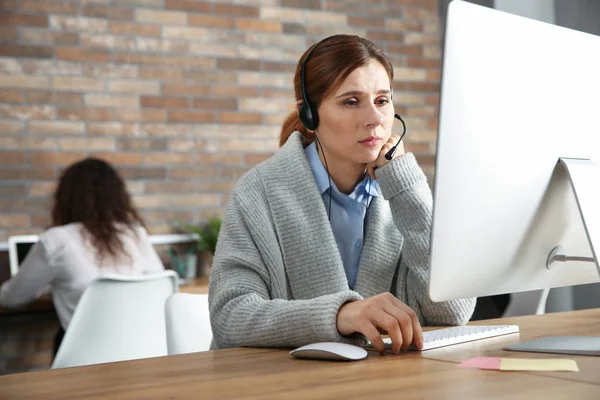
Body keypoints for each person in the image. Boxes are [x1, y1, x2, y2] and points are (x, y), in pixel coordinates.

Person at [209, 34, 476, 355]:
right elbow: (229, 316)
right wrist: (338, 315)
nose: (375, 118)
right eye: (351, 102)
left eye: (382, 100)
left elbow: (452, 310)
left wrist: (407, 187)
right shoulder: (258, 192)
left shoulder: (402, 193)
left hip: (383, 383)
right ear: (309, 115)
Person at [0, 158, 165, 356]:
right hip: (136, 351)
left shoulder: (56, 240)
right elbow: (160, 289)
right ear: (117, 196)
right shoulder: (135, 235)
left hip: (82, 359)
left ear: (66, 196)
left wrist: (47, 286)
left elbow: (12, 298)